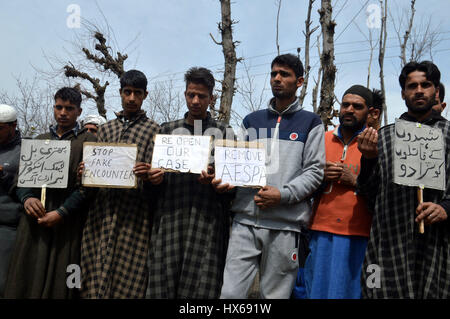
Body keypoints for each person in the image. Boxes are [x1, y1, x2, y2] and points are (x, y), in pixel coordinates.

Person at [220, 54, 325, 299]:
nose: (276, 79)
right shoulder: (251, 120)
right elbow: (236, 166)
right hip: (244, 222)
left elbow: (314, 171)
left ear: (299, 81)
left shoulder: (311, 122)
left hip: (285, 226)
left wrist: (283, 195)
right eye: (273, 73)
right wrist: (223, 180)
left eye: (284, 74)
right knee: (230, 295)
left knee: (274, 297)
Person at [358, 61, 450, 298]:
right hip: (388, 244)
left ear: (436, 91)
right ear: (403, 93)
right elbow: (369, 195)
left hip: (437, 246)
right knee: (375, 289)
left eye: (426, 85)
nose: (419, 90)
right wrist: (368, 159)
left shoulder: (448, 135)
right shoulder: (385, 137)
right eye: (412, 86)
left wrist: (445, 208)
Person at [146, 67, 234, 299]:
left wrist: (218, 182)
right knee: (162, 284)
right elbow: (151, 186)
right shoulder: (166, 131)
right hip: (169, 220)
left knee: (202, 287)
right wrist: (154, 180)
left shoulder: (225, 133)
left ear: (211, 98)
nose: (195, 101)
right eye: (190, 95)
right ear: (185, 94)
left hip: (208, 223)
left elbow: (232, 188)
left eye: (202, 96)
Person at [4, 88, 96, 298]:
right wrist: (27, 198)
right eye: (59, 107)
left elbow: (88, 189)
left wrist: (62, 212)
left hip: (67, 226)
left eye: (69, 109)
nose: (63, 112)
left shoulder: (88, 141)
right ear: (54, 107)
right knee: (25, 280)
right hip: (34, 224)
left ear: (79, 111)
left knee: (63, 282)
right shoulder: (40, 139)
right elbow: (20, 181)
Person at [80, 69, 161, 299]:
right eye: (127, 92)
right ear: (120, 93)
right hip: (102, 213)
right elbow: (93, 175)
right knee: (92, 272)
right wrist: (85, 172)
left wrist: (151, 174)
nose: (132, 98)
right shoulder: (106, 129)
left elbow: (159, 177)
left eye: (137, 93)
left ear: (145, 95)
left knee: (130, 276)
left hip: (134, 216)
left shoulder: (155, 131)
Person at [304, 85, 381, 299]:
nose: (349, 110)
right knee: (316, 291)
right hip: (321, 230)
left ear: (370, 112)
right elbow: (303, 184)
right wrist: (320, 177)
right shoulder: (321, 139)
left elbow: (382, 193)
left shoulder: (376, 144)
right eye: (345, 105)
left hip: (361, 234)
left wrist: (355, 180)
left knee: (352, 292)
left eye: (357, 106)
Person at [0, 105, 22, 297]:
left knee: (3, 281)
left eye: (0, 127)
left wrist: (4, 174)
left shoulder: (24, 151)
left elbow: (27, 190)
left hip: (7, 226)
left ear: (13, 126)